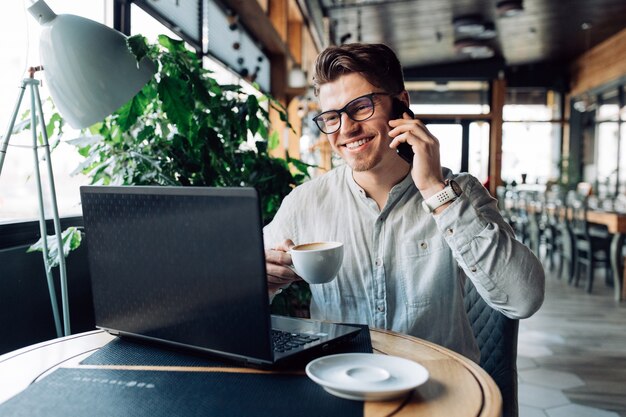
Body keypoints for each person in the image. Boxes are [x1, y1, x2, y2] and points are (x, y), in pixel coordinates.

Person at [263, 43, 544, 362]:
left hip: (437, 391)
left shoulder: (459, 191)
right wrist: (264, 280)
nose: (346, 128)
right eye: (332, 117)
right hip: (341, 386)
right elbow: (238, 288)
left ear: (402, 105)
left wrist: (435, 191)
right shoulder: (305, 202)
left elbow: (524, 300)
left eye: (361, 106)